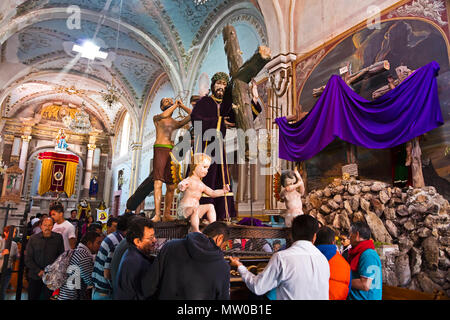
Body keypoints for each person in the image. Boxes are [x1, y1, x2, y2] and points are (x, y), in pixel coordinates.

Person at [230, 215, 330, 300]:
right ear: (314, 237)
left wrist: (240, 267)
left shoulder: (282, 258)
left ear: (291, 235)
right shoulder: (323, 260)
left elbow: (258, 287)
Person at [147, 221, 231, 300]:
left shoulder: (170, 246)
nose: (222, 250)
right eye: (224, 246)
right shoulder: (223, 267)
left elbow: (150, 285)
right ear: (220, 238)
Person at [151, 97, 192, 222]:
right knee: (158, 182)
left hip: (171, 151)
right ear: (161, 106)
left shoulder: (176, 122)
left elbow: (193, 114)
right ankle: (157, 214)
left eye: (170, 100)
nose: (169, 102)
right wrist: (175, 105)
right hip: (160, 148)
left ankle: (166, 214)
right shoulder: (158, 118)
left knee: (171, 185)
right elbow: (165, 114)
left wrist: (182, 105)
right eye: (166, 101)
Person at [177, 153, 230, 232]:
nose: (206, 171)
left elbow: (212, 193)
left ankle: (213, 228)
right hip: (184, 211)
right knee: (194, 209)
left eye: (208, 168)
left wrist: (223, 191)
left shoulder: (201, 184)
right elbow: (181, 184)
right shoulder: (189, 180)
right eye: (204, 167)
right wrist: (181, 186)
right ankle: (196, 230)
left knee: (210, 206)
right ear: (195, 165)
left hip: (195, 212)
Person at [114, 217, 156, 300]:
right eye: (150, 238)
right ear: (137, 241)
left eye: (154, 236)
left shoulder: (132, 254)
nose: (154, 240)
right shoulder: (136, 262)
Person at [91, 213, 130, 300]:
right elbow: (107, 273)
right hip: (105, 294)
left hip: (99, 291)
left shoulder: (114, 237)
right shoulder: (118, 242)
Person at [25, 217, 65, 300]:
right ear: (41, 226)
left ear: (53, 226)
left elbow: (61, 257)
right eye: (45, 225)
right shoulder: (33, 239)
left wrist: (54, 272)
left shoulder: (58, 238)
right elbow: (28, 259)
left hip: (51, 277)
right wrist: (39, 271)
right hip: (35, 276)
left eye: (50, 225)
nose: (47, 227)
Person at [58, 231, 104, 300]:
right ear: (89, 243)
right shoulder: (84, 256)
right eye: (98, 243)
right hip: (72, 296)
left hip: (66, 294)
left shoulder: (77, 251)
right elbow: (89, 280)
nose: (100, 246)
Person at [348, 222, 382, 300]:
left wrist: (344, 280)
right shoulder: (361, 252)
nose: (349, 238)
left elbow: (365, 284)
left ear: (357, 235)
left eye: (350, 234)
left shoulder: (368, 255)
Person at [315, 226, 351, 300]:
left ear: (314, 240)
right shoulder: (345, 265)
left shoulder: (307, 259)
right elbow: (347, 290)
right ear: (333, 242)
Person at [0, 226, 18, 300]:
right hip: (0, 269)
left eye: (15, 232)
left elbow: (15, 257)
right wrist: (2, 254)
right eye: (13, 232)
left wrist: (19, 255)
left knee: (2, 290)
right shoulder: (1, 241)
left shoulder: (14, 244)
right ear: (5, 233)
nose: (14, 234)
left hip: (7, 270)